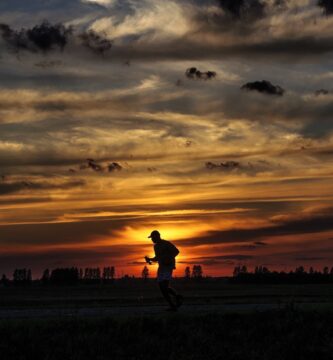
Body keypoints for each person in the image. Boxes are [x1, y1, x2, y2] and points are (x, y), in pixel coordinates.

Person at [145, 230, 183, 311]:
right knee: (162, 288)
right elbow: (157, 258)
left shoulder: (167, 243)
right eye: (151, 238)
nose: (152, 239)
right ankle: (177, 298)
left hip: (168, 267)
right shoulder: (155, 246)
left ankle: (173, 304)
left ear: (157, 236)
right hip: (161, 268)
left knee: (164, 287)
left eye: (152, 238)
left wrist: (168, 258)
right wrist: (150, 259)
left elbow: (176, 251)